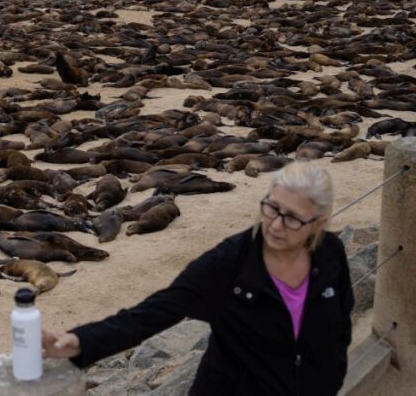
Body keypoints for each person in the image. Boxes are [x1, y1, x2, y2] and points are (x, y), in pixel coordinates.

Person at [43, 161, 354, 395]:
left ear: (319, 222)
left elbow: (341, 319)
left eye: (292, 218)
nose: (274, 225)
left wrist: (332, 373)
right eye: (271, 208)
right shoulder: (229, 262)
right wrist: (79, 342)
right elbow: (153, 313)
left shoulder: (330, 253)